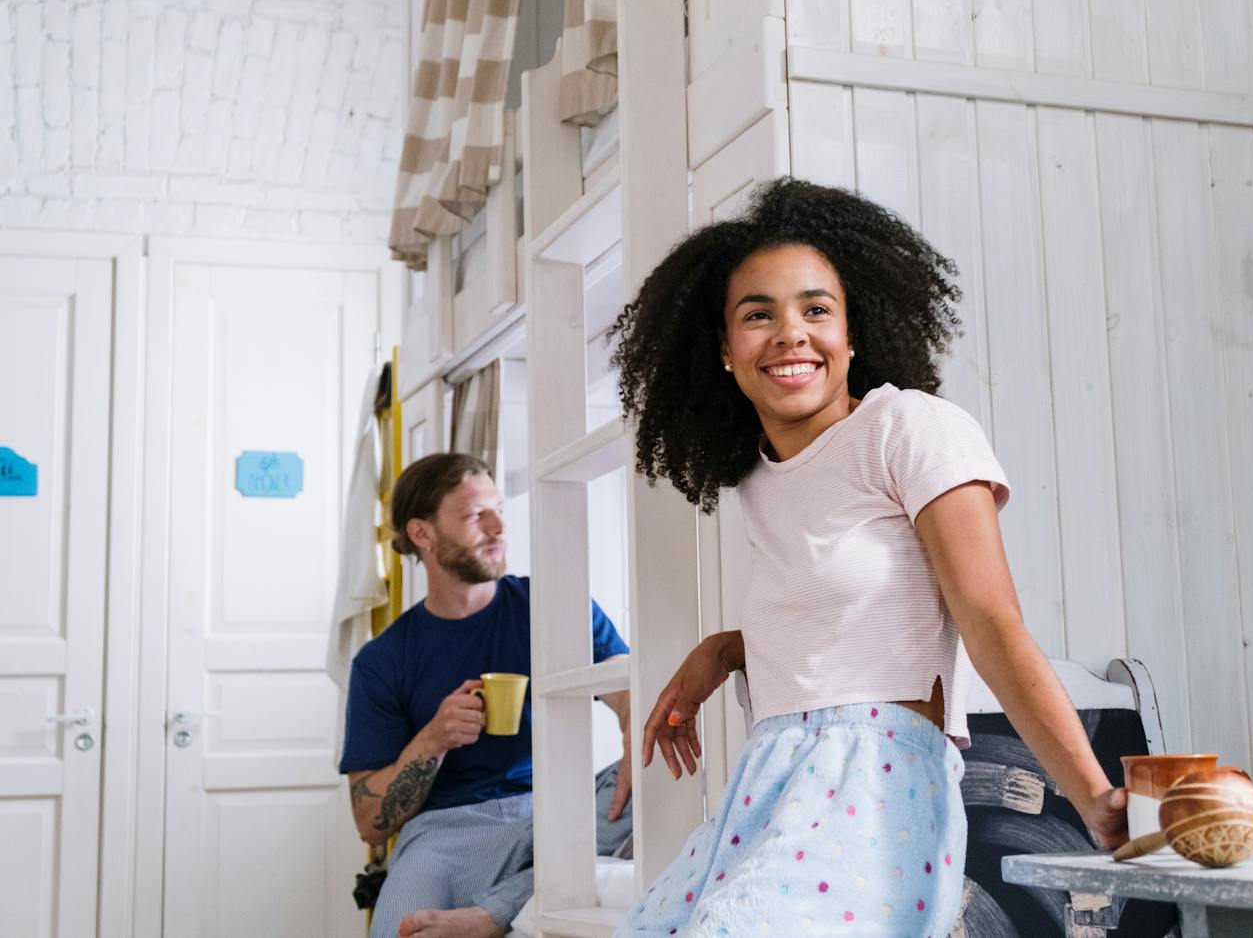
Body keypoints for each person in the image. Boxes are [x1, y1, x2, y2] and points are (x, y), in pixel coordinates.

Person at [607, 178, 1129, 937]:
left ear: (854, 333)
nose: (790, 333)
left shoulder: (909, 429)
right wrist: (726, 649)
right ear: (724, 349)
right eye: (759, 315)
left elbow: (988, 618)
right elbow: (852, 623)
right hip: (768, 784)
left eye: (816, 309)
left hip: (877, 785)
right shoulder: (757, 479)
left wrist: (1093, 797)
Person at [340, 453, 634, 938]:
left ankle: (488, 915)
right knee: (402, 930)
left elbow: (626, 689)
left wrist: (631, 728)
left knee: (656, 776)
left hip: (551, 811)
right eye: (478, 514)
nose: (500, 526)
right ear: (423, 534)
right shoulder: (383, 661)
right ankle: (512, 902)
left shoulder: (551, 607)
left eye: (498, 509)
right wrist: (433, 739)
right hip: (444, 836)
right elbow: (371, 824)